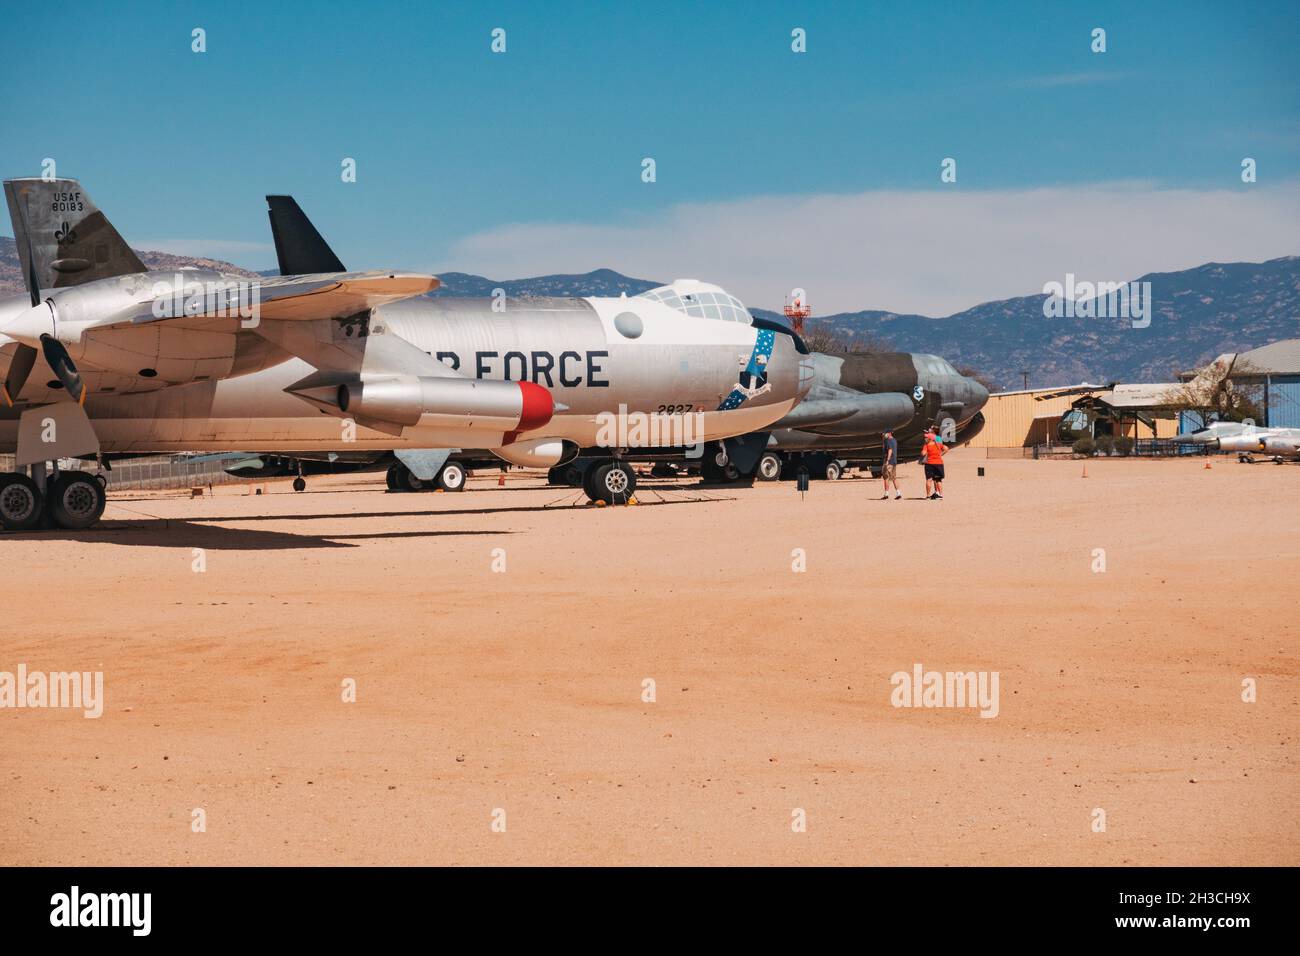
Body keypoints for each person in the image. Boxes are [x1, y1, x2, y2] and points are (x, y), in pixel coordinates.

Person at [921, 427, 947, 500]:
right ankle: (939, 494)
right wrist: (940, 454)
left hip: (930, 463)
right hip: (939, 462)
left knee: (930, 479)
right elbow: (945, 448)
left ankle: (932, 494)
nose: (925, 439)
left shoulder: (928, 444)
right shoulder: (938, 442)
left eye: (926, 438)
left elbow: (923, 453)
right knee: (938, 479)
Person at [879, 429, 901, 500]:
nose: (883, 434)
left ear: (889, 433)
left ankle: (886, 494)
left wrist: (887, 460)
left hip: (889, 461)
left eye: (884, 433)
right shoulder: (894, 440)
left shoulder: (888, 441)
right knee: (894, 478)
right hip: (894, 461)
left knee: (886, 477)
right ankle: (898, 493)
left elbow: (890, 450)